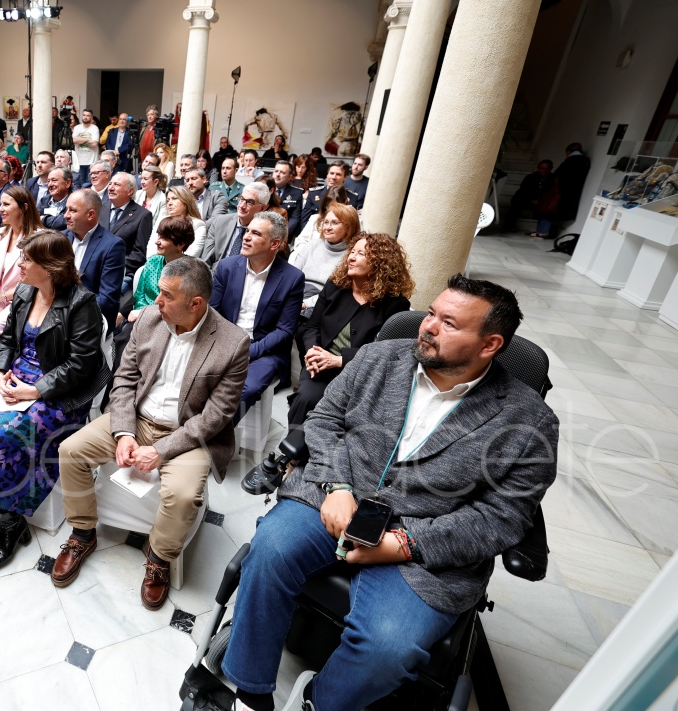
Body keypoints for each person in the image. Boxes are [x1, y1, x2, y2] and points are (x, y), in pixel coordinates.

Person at [221, 276, 558, 711]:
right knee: (269, 552)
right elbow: (324, 420)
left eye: (448, 323)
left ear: (490, 344)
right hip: (335, 495)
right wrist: (337, 486)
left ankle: (318, 702)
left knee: (388, 648)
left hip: (426, 539)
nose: (428, 326)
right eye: (431, 313)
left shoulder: (529, 421)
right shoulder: (377, 358)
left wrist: (406, 544)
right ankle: (250, 690)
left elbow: (502, 517)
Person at [51, 257, 250, 608]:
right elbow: (124, 379)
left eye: (167, 295)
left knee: (183, 495)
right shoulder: (148, 319)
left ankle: (159, 557)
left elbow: (216, 415)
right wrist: (124, 432)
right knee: (70, 450)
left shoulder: (232, 343)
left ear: (195, 303)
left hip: (187, 434)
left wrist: (162, 449)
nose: (157, 300)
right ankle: (83, 532)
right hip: (137, 418)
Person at [0, 230, 110, 571]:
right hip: (16, 378)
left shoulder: (82, 304)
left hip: (59, 392)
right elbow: (7, 340)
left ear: (50, 267)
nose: (19, 264)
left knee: (4, 437)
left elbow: (81, 365)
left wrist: (36, 391)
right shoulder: (24, 292)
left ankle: (11, 523)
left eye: (27, 260)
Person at [289, 232, 414, 427]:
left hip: (359, 374)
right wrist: (313, 352)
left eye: (361, 254)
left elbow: (384, 352)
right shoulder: (335, 285)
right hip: (320, 364)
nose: (351, 258)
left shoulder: (395, 305)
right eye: (352, 252)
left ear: (380, 264)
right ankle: (293, 446)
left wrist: (339, 360)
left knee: (344, 415)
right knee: (307, 399)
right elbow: (312, 326)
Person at [210, 211, 304, 420]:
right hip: (225, 340)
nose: (246, 237)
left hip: (265, 350)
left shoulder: (292, 278)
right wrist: (225, 346)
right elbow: (213, 313)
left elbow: (285, 330)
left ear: (274, 244)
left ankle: (212, 436)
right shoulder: (227, 267)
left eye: (256, 233)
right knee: (199, 377)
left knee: (246, 389)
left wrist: (248, 351)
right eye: (247, 231)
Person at [111, 215, 195, 376]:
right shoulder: (152, 262)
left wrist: (146, 313)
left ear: (180, 244)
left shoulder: (190, 271)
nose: (157, 241)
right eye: (158, 236)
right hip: (141, 320)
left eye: (164, 238)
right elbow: (140, 296)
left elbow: (181, 309)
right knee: (123, 340)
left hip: (171, 325)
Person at [0, 184, 44, 360]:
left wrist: (4, 296)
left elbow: (36, 279)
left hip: (22, 299)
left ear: (23, 208)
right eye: (0, 204)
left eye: (6, 204)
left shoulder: (39, 237)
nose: (0, 209)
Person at [64, 189, 125, 332]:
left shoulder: (112, 246)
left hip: (91, 323)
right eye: (66, 209)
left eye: (72, 210)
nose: (65, 215)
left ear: (90, 214)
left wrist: (66, 307)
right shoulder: (61, 238)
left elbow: (107, 300)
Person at [288, 202, 360, 316]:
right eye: (326, 222)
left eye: (334, 223)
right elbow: (291, 276)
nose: (327, 227)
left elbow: (336, 293)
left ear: (349, 227)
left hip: (323, 302)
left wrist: (305, 304)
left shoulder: (351, 255)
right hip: (297, 292)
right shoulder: (312, 244)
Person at [100, 172, 153, 287]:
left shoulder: (143, 215)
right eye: (110, 184)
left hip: (122, 271)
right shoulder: (100, 208)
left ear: (130, 191)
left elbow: (139, 253)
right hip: (97, 267)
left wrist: (112, 266)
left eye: (117, 185)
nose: (111, 188)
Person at [206, 181, 269, 267]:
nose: (242, 206)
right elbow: (206, 261)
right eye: (242, 199)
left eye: (250, 202)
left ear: (262, 208)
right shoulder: (219, 222)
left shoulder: (264, 233)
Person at [148, 187, 208, 259]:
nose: (169, 203)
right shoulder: (162, 220)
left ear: (186, 202)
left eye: (174, 198)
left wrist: (167, 262)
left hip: (182, 265)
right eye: (168, 200)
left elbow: (192, 254)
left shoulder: (197, 224)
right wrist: (155, 262)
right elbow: (151, 247)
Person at [268, 160, 305, 237]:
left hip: (283, 234)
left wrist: (282, 235)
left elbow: (294, 219)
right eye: (276, 171)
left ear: (289, 177)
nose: (278, 174)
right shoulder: (265, 189)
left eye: (282, 172)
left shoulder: (297, 193)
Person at [71, 109, 101, 188]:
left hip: (92, 161)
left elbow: (94, 144)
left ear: (91, 118)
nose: (85, 117)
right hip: (79, 161)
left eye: (88, 116)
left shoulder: (95, 128)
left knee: (89, 185)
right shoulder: (77, 128)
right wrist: (88, 139)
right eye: (84, 115)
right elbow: (74, 140)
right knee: (79, 184)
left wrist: (80, 140)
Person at [39, 166, 72, 231]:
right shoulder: (44, 200)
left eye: (54, 180)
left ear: (68, 183)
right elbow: (35, 219)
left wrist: (43, 219)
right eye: (48, 181)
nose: (50, 185)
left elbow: (66, 221)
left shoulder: (75, 200)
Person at [135, 165, 167, 229]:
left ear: (156, 182)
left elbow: (158, 226)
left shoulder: (163, 200)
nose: (142, 182)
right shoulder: (137, 194)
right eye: (141, 178)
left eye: (145, 179)